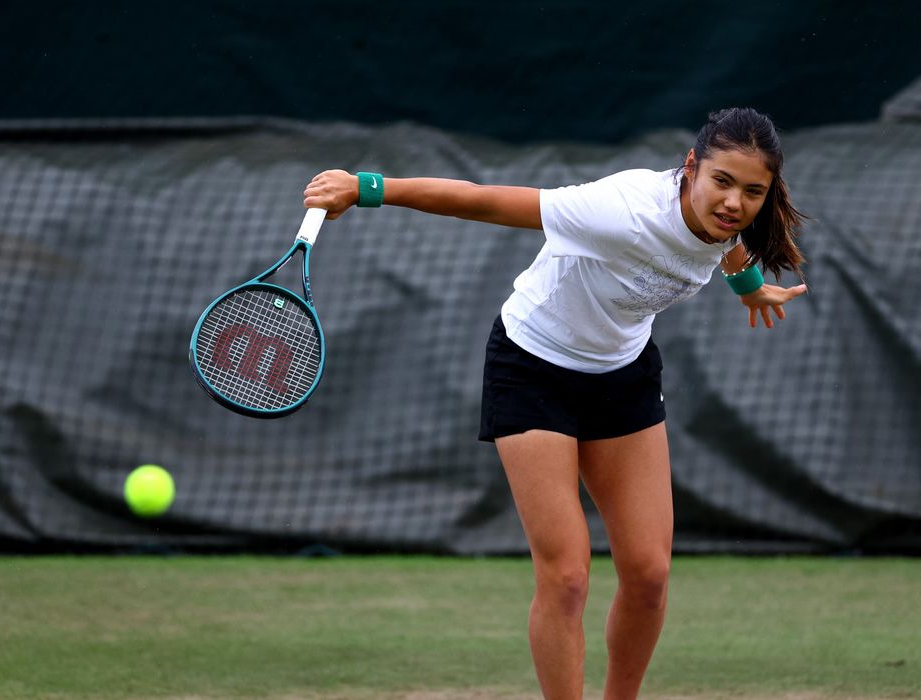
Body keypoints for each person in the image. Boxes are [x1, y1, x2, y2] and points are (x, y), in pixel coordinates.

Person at [303, 107, 807, 700]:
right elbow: (482, 200)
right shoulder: (618, 210)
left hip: (623, 377)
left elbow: (721, 242)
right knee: (566, 578)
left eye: (753, 191)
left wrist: (748, 286)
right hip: (533, 367)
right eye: (721, 182)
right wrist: (366, 188)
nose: (734, 203)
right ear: (691, 168)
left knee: (649, 575)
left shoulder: (729, 219)